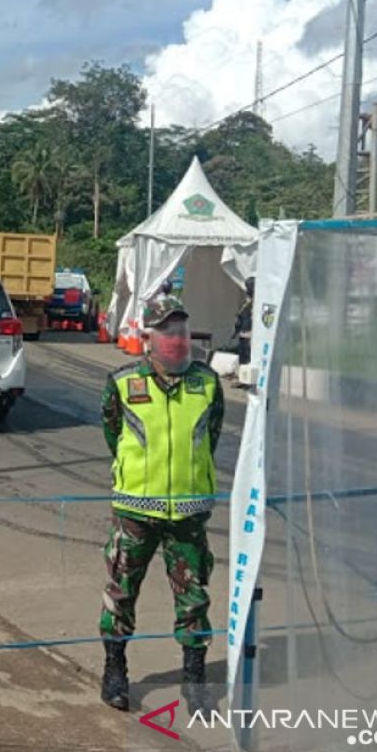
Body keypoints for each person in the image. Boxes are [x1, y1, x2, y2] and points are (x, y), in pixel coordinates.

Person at [98, 293, 224, 714]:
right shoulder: (122, 383)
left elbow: (212, 437)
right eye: (168, 332)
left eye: (182, 332)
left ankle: (194, 681)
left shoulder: (206, 383)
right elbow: (113, 435)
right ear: (148, 339)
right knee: (121, 593)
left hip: (187, 514)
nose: (177, 340)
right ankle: (115, 672)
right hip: (135, 512)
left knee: (193, 600)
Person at [234, 277, 255, 365]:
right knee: (243, 361)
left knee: (247, 361)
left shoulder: (253, 304)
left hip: (249, 336)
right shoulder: (245, 304)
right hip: (243, 335)